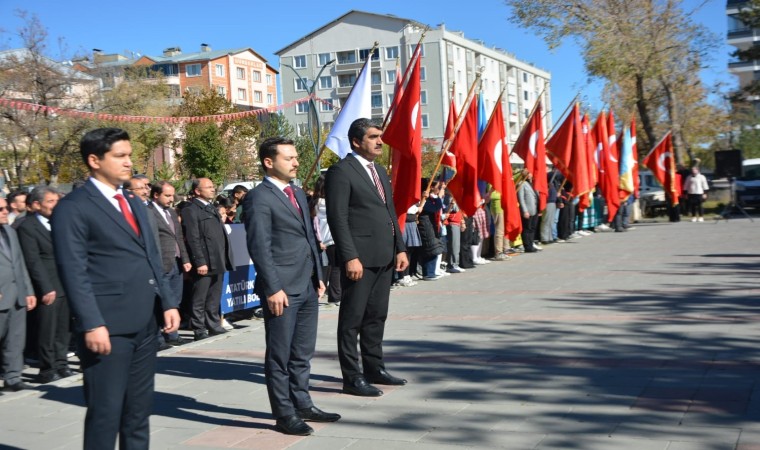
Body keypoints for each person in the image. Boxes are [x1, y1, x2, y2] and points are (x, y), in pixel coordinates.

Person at [51, 127, 179, 449]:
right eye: (120, 156)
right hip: (107, 328)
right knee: (106, 413)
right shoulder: (74, 207)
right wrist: (92, 323)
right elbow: (73, 270)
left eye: (129, 155)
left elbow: (151, 256)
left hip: (145, 324)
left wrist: (168, 302)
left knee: (138, 413)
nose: (128, 162)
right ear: (94, 160)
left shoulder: (135, 203)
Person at [243, 137, 339, 436]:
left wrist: (319, 275)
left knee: (302, 352)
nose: (296, 162)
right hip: (281, 289)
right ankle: (284, 414)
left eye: (296, 157)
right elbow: (260, 246)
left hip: (307, 284)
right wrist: (272, 288)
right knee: (280, 355)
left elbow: (309, 237)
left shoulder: (296, 192)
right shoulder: (259, 198)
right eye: (289, 157)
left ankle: (303, 402)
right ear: (269, 162)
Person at [325, 118, 409, 397]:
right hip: (359, 259)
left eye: (380, 136)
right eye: (373, 137)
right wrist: (350, 256)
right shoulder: (341, 171)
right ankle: (352, 377)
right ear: (356, 142)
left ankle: (375, 368)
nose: (380, 141)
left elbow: (389, 210)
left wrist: (400, 247)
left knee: (377, 315)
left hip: (384, 255)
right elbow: (338, 218)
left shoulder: (380, 171)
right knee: (352, 319)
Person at [16, 187, 73, 384]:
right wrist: (45, 287)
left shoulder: (57, 223)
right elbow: (33, 261)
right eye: (51, 201)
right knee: (47, 330)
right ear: (36, 205)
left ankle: (61, 363)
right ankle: (47, 368)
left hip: (64, 283)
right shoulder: (27, 227)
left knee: (63, 328)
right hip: (47, 286)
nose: (55, 205)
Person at [181, 178, 234, 341]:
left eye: (213, 186)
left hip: (218, 258)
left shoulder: (210, 207)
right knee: (200, 296)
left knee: (214, 295)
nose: (213, 189)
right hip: (205, 260)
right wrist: (199, 261)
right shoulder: (191, 209)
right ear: (197, 191)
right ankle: (198, 327)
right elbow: (193, 238)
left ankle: (213, 324)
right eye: (209, 187)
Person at [147, 181, 192, 347]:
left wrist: (185, 259)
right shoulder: (148, 212)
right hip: (161, 263)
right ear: (156, 195)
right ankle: (159, 336)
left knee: (175, 299)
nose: (171, 199)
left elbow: (179, 237)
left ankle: (172, 333)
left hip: (176, 262)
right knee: (160, 300)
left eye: (172, 195)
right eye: (167, 195)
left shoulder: (172, 213)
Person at [0, 196, 36, 392]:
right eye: (1, 209)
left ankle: (13, 377)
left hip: (16, 294)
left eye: (6, 208)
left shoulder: (9, 231)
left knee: (15, 338)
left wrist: (28, 290)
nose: (6, 211)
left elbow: (19, 263)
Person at [516, 169, 540, 253]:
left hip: (535, 209)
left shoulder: (533, 184)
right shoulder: (522, 184)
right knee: (527, 228)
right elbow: (521, 199)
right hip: (527, 210)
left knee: (533, 228)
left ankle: (531, 243)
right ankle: (527, 246)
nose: (530, 175)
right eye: (529, 173)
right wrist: (524, 210)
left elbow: (536, 197)